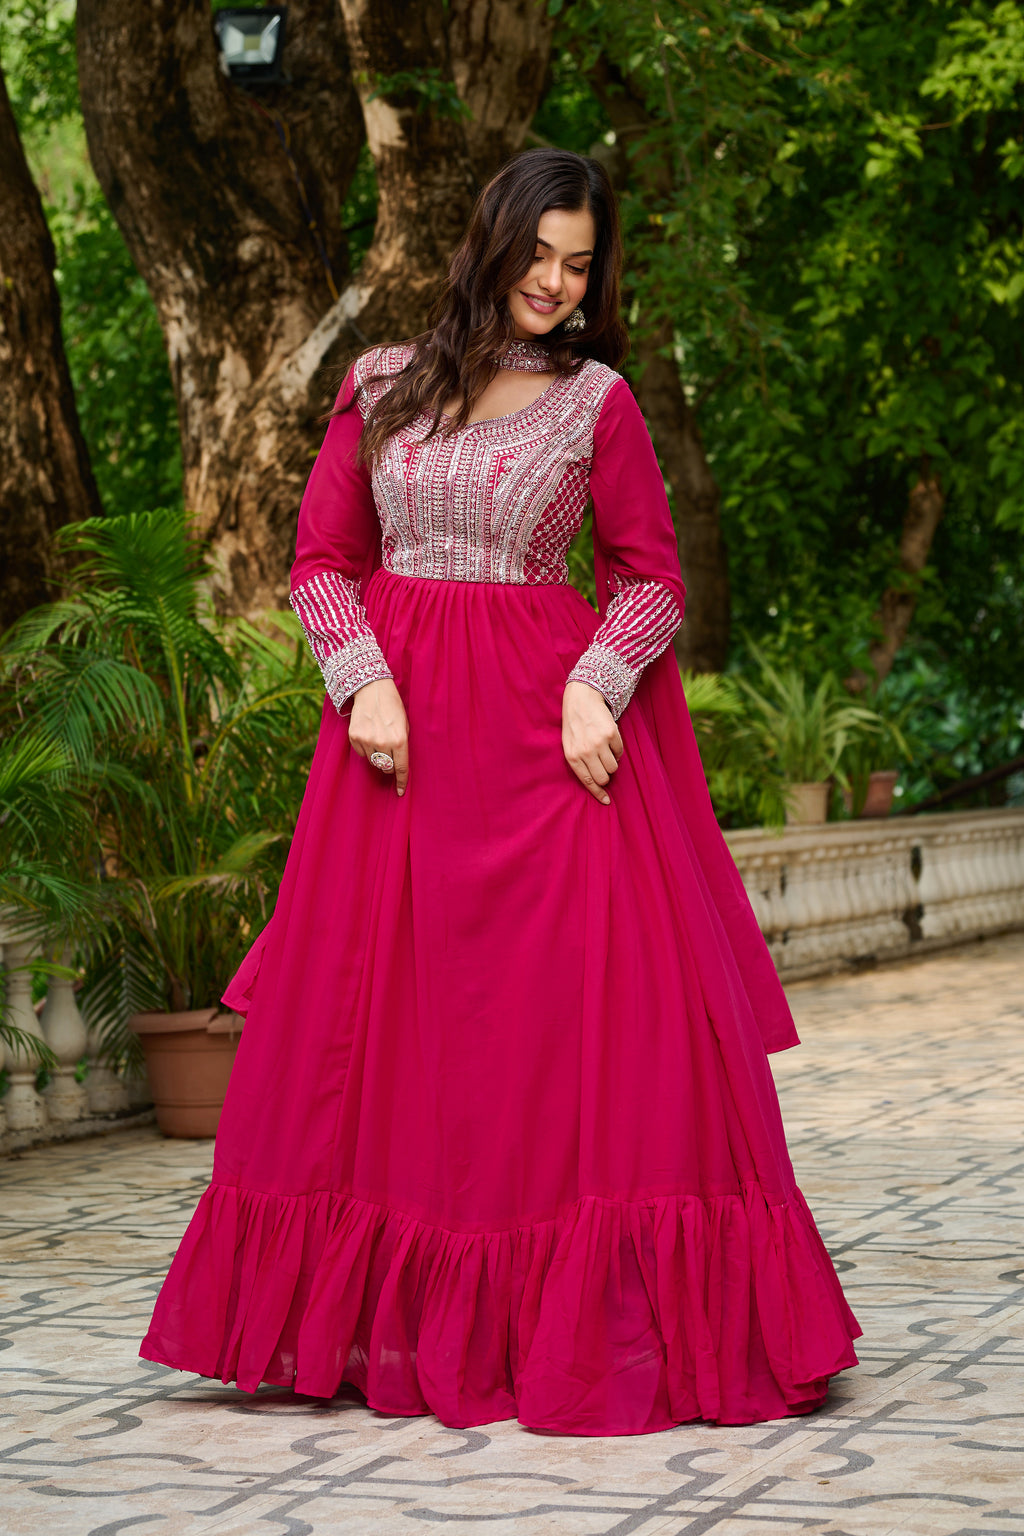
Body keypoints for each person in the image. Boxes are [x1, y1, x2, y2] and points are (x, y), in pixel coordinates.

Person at [140, 148, 860, 1436]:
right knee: (397, 1029)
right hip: (401, 745)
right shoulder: (382, 384)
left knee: (576, 1031)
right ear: (494, 243)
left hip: (553, 746)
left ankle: (580, 1326)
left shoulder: (602, 402)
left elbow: (648, 575)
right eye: (540, 255)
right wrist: (362, 682)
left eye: (581, 264)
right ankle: (383, 1327)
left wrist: (597, 681)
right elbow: (322, 558)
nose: (557, 282)